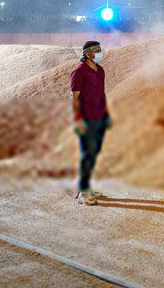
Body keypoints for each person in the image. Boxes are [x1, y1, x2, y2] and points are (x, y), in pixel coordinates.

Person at [70, 40, 111, 205]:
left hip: (99, 117)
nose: (101, 53)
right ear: (88, 54)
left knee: (94, 152)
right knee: (87, 153)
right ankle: (83, 192)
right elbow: (74, 98)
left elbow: (101, 94)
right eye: (98, 50)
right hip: (86, 119)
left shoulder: (100, 70)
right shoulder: (79, 72)